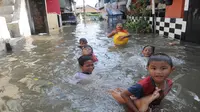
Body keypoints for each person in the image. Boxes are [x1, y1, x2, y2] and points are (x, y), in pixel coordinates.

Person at [108, 53, 175, 112]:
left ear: (171, 69)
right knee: (113, 94)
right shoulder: (142, 85)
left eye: (163, 68)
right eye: (154, 68)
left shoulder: (169, 83)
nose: (158, 72)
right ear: (148, 69)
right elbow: (124, 95)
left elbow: (159, 100)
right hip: (134, 100)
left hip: (143, 97)